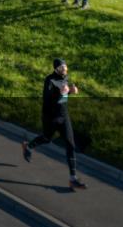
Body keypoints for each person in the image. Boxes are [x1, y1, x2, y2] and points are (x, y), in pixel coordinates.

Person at [22, 58, 88, 190]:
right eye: (62, 68)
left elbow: (64, 94)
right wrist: (66, 92)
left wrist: (71, 90)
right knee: (47, 138)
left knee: (70, 145)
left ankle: (73, 179)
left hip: (63, 116)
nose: (64, 70)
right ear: (56, 69)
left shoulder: (66, 78)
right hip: (50, 116)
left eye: (66, 68)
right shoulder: (49, 80)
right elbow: (48, 99)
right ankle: (28, 146)